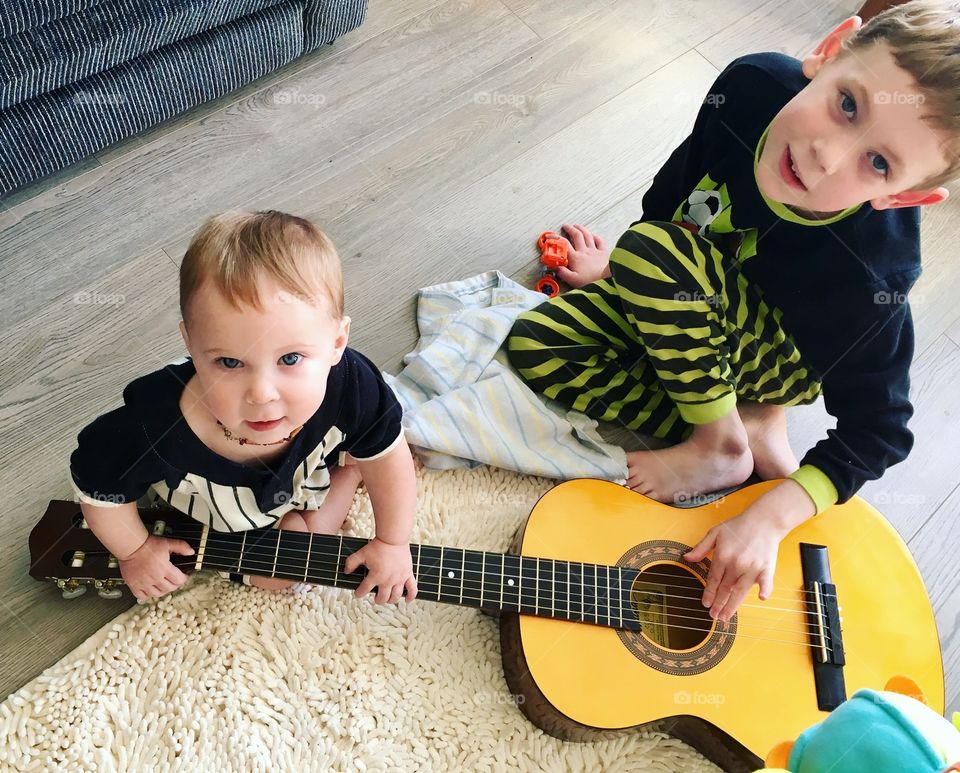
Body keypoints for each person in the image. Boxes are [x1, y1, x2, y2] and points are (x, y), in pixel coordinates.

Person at [507, 1, 960, 621]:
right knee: (537, 342)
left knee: (655, 252)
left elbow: (879, 431)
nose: (827, 155)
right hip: (692, 285)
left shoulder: (871, 278)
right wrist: (619, 273)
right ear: (829, 49)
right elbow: (672, 197)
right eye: (848, 104)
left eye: (877, 163)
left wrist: (774, 515)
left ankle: (720, 444)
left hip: (775, 352)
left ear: (903, 195)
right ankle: (740, 422)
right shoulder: (750, 87)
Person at [69, 210, 418, 604]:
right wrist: (134, 550)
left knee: (312, 532)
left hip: (303, 477)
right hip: (224, 518)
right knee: (277, 574)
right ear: (191, 344)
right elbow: (97, 487)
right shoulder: (152, 425)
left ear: (337, 343)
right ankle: (345, 480)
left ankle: (348, 477)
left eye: (290, 359)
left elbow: (390, 458)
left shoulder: (353, 382)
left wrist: (392, 542)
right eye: (230, 363)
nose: (262, 394)